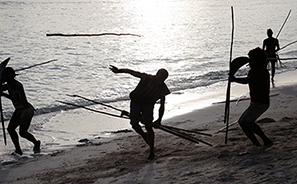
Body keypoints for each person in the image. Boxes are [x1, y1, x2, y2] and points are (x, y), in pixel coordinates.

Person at [109, 65, 170, 160]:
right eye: (159, 79)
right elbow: (131, 72)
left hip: (148, 105)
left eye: (162, 80)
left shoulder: (163, 89)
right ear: (156, 75)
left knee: (148, 126)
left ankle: (152, 151)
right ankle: (144, 135)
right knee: (134, 124)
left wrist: (159, 120)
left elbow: (162, 105)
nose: (159, 82)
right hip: (136, 102)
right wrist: (118, 71)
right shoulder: (146, 78)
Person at [229, 47, 273, 152]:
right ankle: (256, 143)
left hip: (259, 102)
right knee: (243, 121)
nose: (249, 61)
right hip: (260, 102)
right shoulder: (262, 69)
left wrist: (234, 79)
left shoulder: (256, 70)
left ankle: (265, 141)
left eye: (251, 59)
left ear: (256, 60)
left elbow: (248, 80)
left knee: (246, 121)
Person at [1, 67, 40, 155]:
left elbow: (17, 98)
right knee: (10, 129)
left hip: (26, 110)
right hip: (19, 110)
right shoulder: (10, 84)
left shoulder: (15, 85)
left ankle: (36, 143)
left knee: (23, 132)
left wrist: (3, 94)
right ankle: (18, 149)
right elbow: (2, 88)